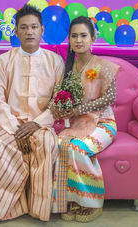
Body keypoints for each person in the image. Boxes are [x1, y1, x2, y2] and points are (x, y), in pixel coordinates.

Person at [0, 4, 64, 221]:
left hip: (42, 124)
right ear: (16, 31)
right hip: (10, 123)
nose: (29, 32)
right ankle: (5, 207)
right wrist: (15, 128)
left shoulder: (55, 61)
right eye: (24, 27)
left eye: (34, 27)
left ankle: (39, 209)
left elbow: (58, 102)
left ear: (42, 30)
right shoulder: (4, 61)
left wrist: (37, 124)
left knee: (47, 145)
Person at [51, 16, 120, 222]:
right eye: (74, 36)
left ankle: (92, 202)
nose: (78, 40)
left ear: (93, 38)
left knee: (78, 148)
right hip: (77, 124)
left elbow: (110, 97)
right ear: (69, 40)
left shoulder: (103, 66)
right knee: (61, 143)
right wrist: (61, 108)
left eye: (83, 35)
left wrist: (81, 108)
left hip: (103, 124)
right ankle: (71, 199)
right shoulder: (67, 69)